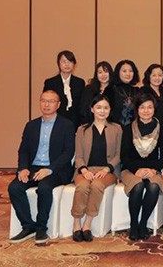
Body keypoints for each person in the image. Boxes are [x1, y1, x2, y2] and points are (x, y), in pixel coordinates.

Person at [8, 90, 75, 244]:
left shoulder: (67, 125)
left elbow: (68, 153)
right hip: (33, 168)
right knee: (14, 188)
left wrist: (49, 169)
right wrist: (23, 168)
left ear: (58, 104)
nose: (46, 104)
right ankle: (28, 226)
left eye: (51, 101)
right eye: (44, 100)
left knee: (44, 187)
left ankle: (41, 228)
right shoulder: (31, 125)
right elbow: (23, 150)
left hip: (56, 169)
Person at [71, 94, 122, 242]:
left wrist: (107, 169)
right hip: (85, 169)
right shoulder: (82, 130)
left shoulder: (116, 129)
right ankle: (76, 223)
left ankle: (87, 224)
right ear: (92, 109)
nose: (102, 111)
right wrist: (84, 170)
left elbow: (119, 154)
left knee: (97, 185)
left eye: (106, 108)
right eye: (98, 107)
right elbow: (79, 155)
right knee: (82, 186)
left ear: (110, 110)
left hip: (108, 171)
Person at [120, 92, 163, 241]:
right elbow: (124, 156)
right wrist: (137, 170)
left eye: (149, 107)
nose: (146, 111)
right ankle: (134, 224)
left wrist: (153, 169)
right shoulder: (128, 128)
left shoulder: (161, 128)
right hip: (131, 169)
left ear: (154, 109)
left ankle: (143, 223)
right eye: (142, 107)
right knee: (138, 185)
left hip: (153, 169)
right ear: (137, 109)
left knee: (153, 186)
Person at [43, 50, 85, 128]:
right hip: (55, 122)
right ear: (59, 64)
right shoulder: (50, 82)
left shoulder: (80, 82)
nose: (67, 64)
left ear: (74, 64)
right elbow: (46, 103)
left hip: (75, 122)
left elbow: (82, 104)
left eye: (70, 61)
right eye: (64, 61)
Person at [79, 61, 115, 126]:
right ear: (96, 75)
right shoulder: (89, 89)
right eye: (100, 72)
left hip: (111, 125)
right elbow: (83, 109)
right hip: (91, 124)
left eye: (106, 71)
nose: (103, 75)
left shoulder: (115, 90)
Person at [110, 59, 140, 126]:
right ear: (118, 72)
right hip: (115, 128)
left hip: (133, 129)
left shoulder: (137, 91)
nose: (128, 74)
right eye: (124, 71)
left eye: (131, 71)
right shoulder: (110, 90)